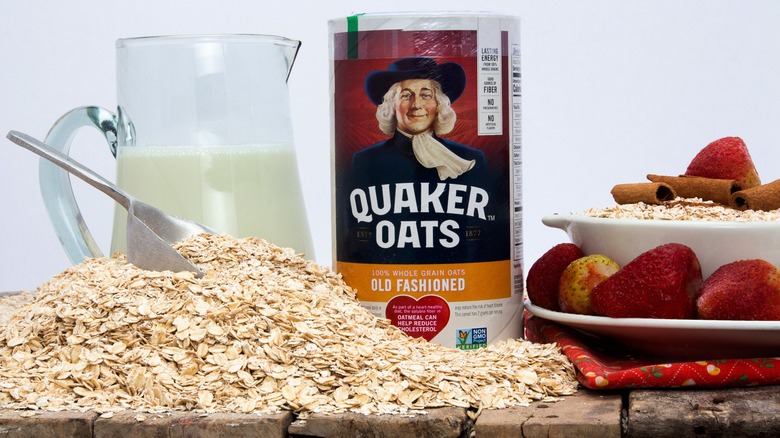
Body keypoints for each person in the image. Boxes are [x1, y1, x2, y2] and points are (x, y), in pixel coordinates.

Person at [351, 57, 488, 186]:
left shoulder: (470, 159)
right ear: (392, 105)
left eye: (426, 95)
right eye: (406, 95)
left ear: (438, 104)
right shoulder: (366, 161)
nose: (416, 104)